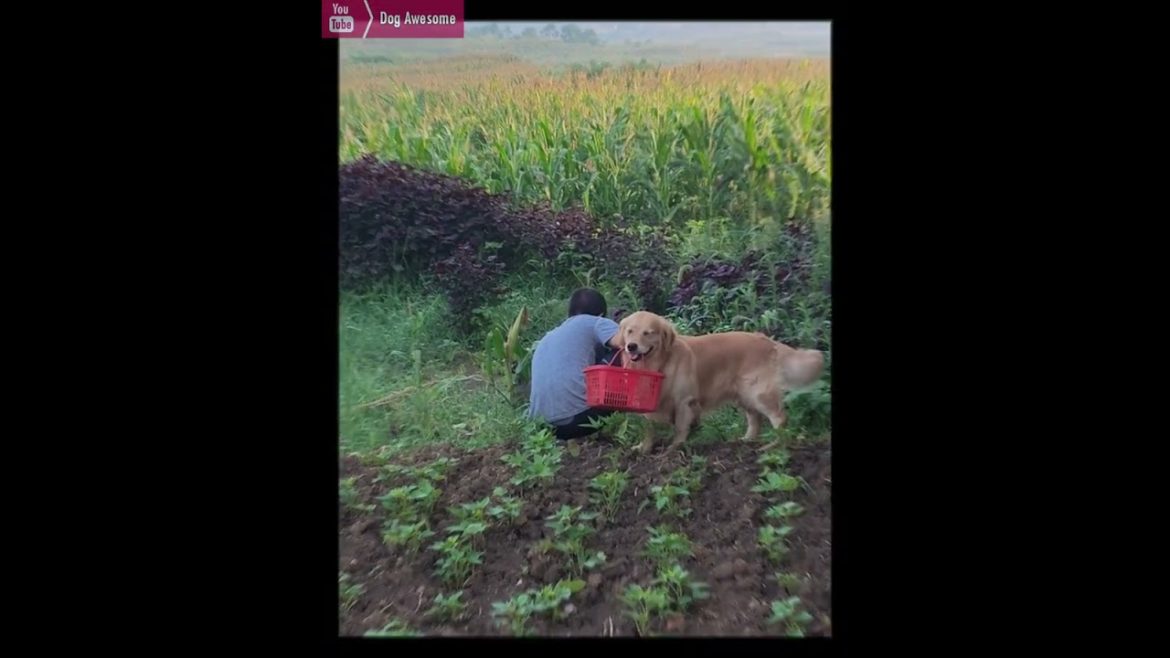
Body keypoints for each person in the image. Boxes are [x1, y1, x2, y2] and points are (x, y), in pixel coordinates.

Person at [527, 288, 623, 440]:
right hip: (579, 418)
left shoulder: (546, 338)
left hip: (542, 427)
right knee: (622, 353)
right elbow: (627, 342)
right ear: (601, 314)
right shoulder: (596, 322)